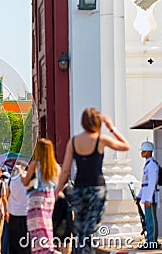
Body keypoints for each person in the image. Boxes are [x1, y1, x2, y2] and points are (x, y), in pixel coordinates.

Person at [55, 108, 130, 254]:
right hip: (97, 189)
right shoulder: (100, 139)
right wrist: (111, 128)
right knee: (90, 230)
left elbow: (65, 170)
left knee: (80, 229)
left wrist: (57, 189)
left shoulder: (74, 141)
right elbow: (125, 146)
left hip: (79, 189)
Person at [21, 138, 60, 254]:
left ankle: (42, 250)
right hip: (50, 196)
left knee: (36, 225)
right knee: (47, 223)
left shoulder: (35, 164)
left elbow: (25, 182)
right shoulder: (55, 166)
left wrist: (21, 174)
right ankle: (49, 247)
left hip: (37, 196)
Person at [136, 141, 159, 249]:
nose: (142, 153)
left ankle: (153, 241)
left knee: (151, 220)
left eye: (144, 151)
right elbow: (144, 183)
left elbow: (152, 183)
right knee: (148, 220)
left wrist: (148, 198)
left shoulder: (152, 165)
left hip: (151, 197)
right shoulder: (148, 165)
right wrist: (139, 196)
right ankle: (149, 240)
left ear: (149, 152)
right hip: (146, 197)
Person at [7, 161, 29, 254]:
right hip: (26, 213)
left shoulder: (11, 179)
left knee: (14, 240)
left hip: (14, 213)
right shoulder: (29, 178)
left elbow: (7, 194)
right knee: (25, 241)